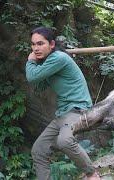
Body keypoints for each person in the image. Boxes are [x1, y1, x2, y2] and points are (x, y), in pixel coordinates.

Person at [25, 27, 100, 180]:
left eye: (40, 44)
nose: (35, 48)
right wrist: (39, 66)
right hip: (63, 114)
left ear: (51, 44)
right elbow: (39, 86)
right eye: (33, 45)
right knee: (39, 149)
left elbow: (32, 78)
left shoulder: (59, 57)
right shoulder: (48, 62)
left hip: (78, 110)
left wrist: (31, 61)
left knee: (64, 141)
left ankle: (92, 174)